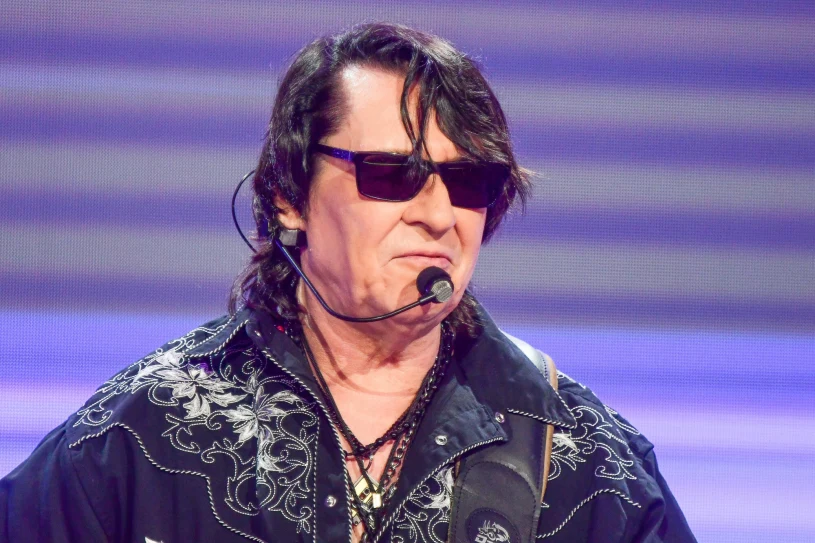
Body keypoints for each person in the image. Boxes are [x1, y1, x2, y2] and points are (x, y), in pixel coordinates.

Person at [0, 23, 696, 543]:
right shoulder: (142, 433)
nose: (437, 216)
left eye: (467, 183)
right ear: (287, 197)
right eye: (391, 174)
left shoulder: (589, 461)